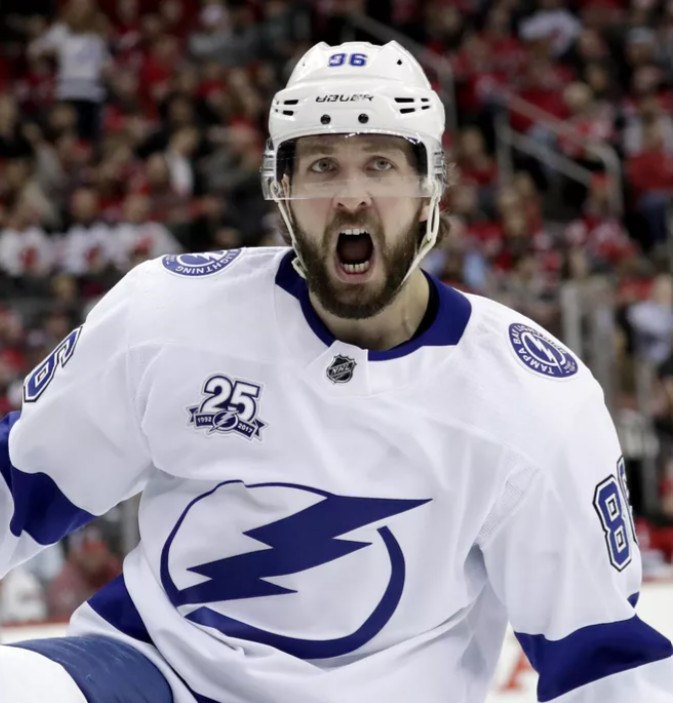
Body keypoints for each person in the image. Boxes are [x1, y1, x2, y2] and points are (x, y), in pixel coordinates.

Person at [0, 40, 671, 703]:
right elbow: (21, 483)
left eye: (380, 164)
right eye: (322, 166)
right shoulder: (167, 313)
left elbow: (602, 664)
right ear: (283, 191)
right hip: (150, 672)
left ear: (428, 188)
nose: (351, 197)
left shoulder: (534, 400)